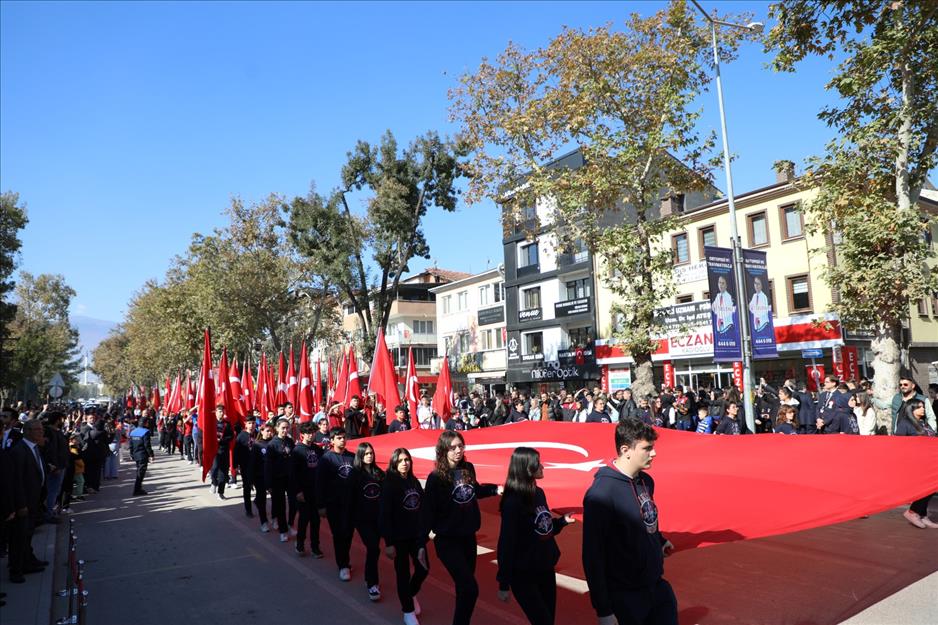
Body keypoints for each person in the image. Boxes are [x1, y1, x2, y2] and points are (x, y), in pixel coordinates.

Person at [582, 419, 676, 625]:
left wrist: (659, 540)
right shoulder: (601, 495)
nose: (654, 453)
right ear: (626, 450)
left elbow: (644, 519)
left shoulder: (646, 481)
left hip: (656, 587)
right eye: (647, 448)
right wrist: (603, 610)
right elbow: (592, 555)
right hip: (626, 596)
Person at [424, 430, 501, 625]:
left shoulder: (468, 468)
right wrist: (420, 542)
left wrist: (494, 489)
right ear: (443, 450)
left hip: (468, 537)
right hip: (447, 541)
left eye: (461, 446)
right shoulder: (436, 478)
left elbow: (474, 491)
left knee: (463, 587)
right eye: (453, 447)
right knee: (470, 588)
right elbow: (428, 511)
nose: (458, 450)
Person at [496, 447, 574, 625]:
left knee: (548, 620)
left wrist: (561, 521)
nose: (542, 466)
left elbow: (542, 528)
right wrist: (503, 583)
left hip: (545, 568)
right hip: (523, 574)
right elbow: (507, 542)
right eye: (537, 463)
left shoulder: (539, 494)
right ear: (527, 468)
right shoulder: (513, 501)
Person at [380, 447, 429, 625]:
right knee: (402, 573)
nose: (404, 463)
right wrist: (389, 542)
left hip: (417, 536)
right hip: (399, 538)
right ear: (394, 463)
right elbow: (385, 514)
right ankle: (407, 611)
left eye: (407, 460)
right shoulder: (389, 484)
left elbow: (423, 506)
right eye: (400, 460)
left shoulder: (414, 481)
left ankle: (410, 593)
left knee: (424, 569)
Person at [8, 419, 48, 584]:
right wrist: (21, 504)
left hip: (34, 500)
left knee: (28, 534)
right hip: (24, 503)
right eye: (39, 430)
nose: (42, 433)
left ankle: (28, 561)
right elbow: (16, 481)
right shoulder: (19, 451)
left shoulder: (35, 448)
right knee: (19, 537)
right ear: (29, 431)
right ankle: (16, 570)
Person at [317, 427, 356, 581]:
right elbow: (320, 484)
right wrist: (321, 505)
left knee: (348, 534)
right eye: (338, 438)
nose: (342, 440)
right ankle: (343, 565)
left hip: (350, 504)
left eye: (343, 437)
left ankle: (345, 559)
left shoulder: (352, 457)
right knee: (339, 534)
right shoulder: (326, 459)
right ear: (332, 440)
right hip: (334, 504)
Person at [893, 399, 938, 529]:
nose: (922, 409)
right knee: (926, 488)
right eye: (918, 407)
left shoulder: (923, 423)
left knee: (931, 487)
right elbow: (899, 444)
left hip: (929, 461)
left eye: (923, 407)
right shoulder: (905, 424)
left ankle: (922, 515)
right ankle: (913, 511)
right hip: (916, 463)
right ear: (910, 409)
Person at [352, 441, 385, 601]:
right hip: (362, 519)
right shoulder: (355, 474)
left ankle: (369, 578)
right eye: (366, 454)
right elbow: (349, 498)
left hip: (377, 518)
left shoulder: (378, 472)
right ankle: (372, 583)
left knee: (375, 549)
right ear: (360, 455)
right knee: (373, 548)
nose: (369, 456)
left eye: (371, 453)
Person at [291, 422, 323, 558]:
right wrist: (298, 491)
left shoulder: (317, 450)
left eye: (313, 433)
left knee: (316, 520)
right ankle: (300, 544)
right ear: (302, 434)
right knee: (304, 519)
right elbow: (293, 474)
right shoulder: (297, 451)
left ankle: (315, 547)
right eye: (308, 433)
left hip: (316, 491)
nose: (311, 435)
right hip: (303, 491)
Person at [266, 418, 294, 542]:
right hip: (277, 479)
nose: (285, 430)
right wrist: (269, 484)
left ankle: (290, 524)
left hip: (290, 477)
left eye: (287, 428)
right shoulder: (272, 444)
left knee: (294, 502)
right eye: (282, 428)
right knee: (280, 505)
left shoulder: (290, 441)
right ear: (277, 428)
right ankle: (283, 531)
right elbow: (268, 465)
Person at [233, 417, 257, 518]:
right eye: (249, 423)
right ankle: (248, 510)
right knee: (247, 488)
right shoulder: (241, 436)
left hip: (257, 465)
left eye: (253, 423)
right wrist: (236, 465)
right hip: (245, 465)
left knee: (261, 487)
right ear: (245, 424)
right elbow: (236, 451)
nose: (251, 425)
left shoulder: (258, 434)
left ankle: (257, 500)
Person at [210, 405, 235, 499]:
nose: (221, 413)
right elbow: (206, 435)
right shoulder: (211, 423)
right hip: (214, 450)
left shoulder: (227, 424)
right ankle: (214, 482)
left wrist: (222, 440)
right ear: (215, 412)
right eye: (219, 411)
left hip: (224, 449)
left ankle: (220, 493)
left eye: (222, 411)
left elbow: (231, 436)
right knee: (215, 467)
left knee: (224, 472)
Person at [253, 422, 274, 532]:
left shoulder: (274, 443)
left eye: (271, 431)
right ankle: (264, 522)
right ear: (261, 431)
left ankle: (274, 518)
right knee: (262, 500)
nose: (269, 433)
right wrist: (251, 479)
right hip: (260, 476)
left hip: (273, 476)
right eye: (267, 431)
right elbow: (253, 463)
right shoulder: (257, 445)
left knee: (276, 498)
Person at [128, 417, 154, 496]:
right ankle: (137, 490)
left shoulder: (133, 432)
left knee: (139, 471)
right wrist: (151, 455)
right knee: (141, 473)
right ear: (145, 423)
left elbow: (131, 445)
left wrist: (131, 454)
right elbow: (147, 445)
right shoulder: (145, 432)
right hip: (143, 455)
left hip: (136, 455)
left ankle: (139, 488)